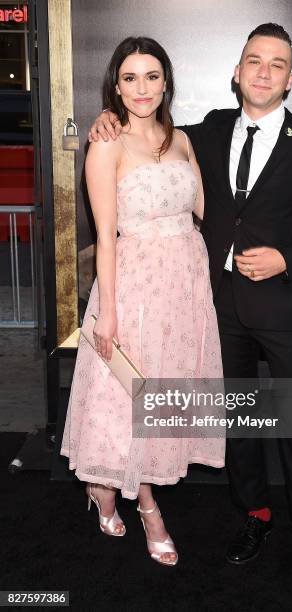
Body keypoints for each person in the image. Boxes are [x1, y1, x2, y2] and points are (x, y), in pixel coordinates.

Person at [90, 23, 292, 582]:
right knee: (239, 421)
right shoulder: (204, 131)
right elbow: (148, 135)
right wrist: (105, 117)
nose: (263, 71)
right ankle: (254, 513)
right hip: (215, 307)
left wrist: (290, 258)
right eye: (253, 61)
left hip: (282, 306)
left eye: (276, 64)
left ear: (290, 78)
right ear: (236, 73)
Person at [61, 36, 225, 566]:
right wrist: (107, 312)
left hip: (184, 291)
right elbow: (104, 236)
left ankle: (112, 490)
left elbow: (203, 208)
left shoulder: (181, 139)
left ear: (166, 82)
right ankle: (148, 507)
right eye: (129, 78)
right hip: (133, 291)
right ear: (115, 84)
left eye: (151, 76)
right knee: (131, 400)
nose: (141, 89)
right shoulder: (106, 143)